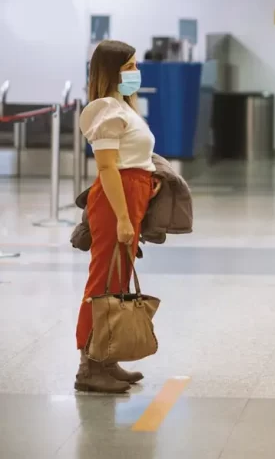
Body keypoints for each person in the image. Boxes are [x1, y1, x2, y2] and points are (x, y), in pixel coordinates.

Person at [75, 40, 160, 393]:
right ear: (111, 72)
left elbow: (130, 161)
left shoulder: (123, 108)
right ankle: (90, 366)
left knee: (118, 280)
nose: (136, 73)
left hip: (130, 198)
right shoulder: (106, 110)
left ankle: (106, 358)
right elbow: (108, 168)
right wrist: (124, 218)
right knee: (102, 283)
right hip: (115, 203)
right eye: (130, 67)